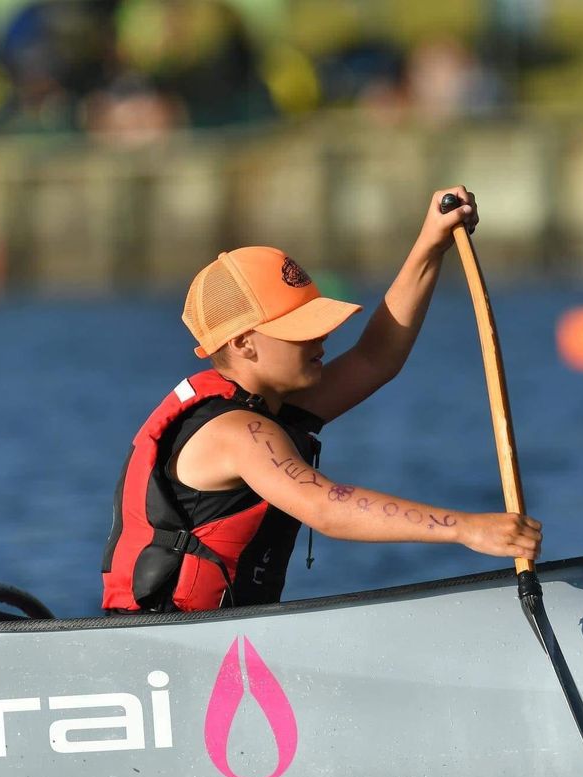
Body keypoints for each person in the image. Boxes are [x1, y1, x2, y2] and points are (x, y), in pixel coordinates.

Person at [101, 187, 542, 614]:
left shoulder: (269, 406)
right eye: (299, 328)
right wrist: (466, 529)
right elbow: (324, 507)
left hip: (220, 642)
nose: (321, 336)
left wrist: (431, 244)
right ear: (243, 343)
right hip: (170, 648)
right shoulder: (235, 432)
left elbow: (375, 358)